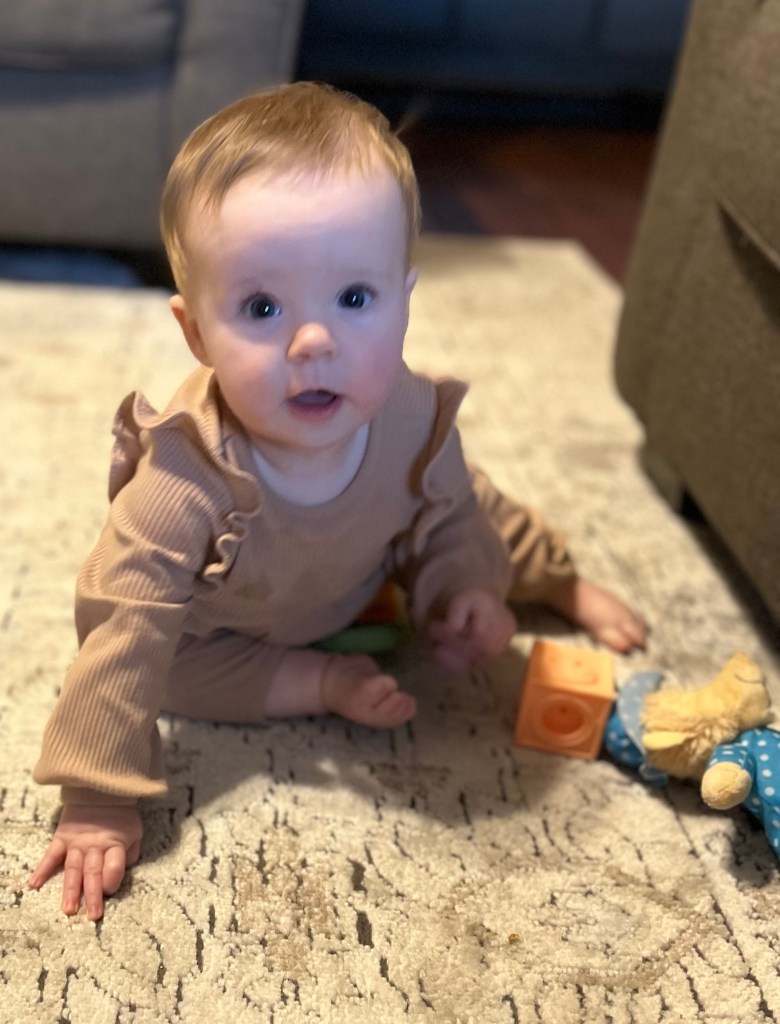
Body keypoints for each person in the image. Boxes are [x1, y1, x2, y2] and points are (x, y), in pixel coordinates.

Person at [28, 82, 647, 920]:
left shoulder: (413, 420)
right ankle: (317, 680)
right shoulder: (183, 477)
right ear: (197, 333)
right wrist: (97, 796)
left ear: (404, 300)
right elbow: (123, 623)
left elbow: (454, 521)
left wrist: (467, 591)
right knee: (162, 672)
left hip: (366, 568)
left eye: (354, 299)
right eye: (261, 307)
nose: (314, 342)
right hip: (232, 629)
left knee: (479, 508)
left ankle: (561, 581)